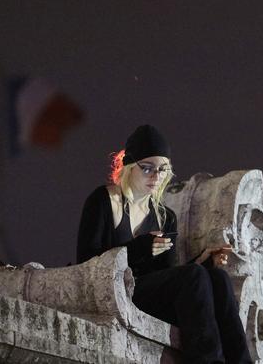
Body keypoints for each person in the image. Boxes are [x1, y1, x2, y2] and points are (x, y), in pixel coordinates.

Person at [76, 124, 252, 364]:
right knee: (194, 276)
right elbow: (85, 261)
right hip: (119, 291)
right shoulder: (104, 201)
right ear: (129, 166)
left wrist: (203, 261)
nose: (156, 176)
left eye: (163, 169)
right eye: (147, 168)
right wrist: (138, 249)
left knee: (217, 279)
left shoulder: (165, 216)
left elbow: (168, 276)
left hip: (152, 295)